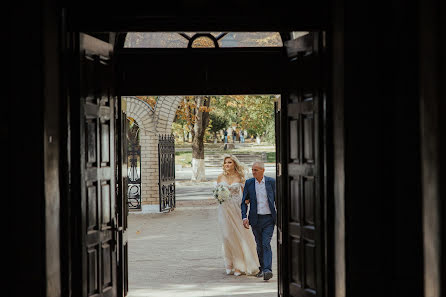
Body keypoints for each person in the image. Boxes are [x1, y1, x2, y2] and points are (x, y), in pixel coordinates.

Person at [216, 155, 260, 276]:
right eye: (225, 163)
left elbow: (248, 194)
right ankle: (229, 263)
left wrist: (246, 201)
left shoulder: (240, 177)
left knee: (239, 235)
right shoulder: (220, 177)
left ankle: (239, 266)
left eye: (229, 162)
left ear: (234, 164)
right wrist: (218, 196)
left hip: (237, 209)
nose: (227, 165)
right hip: (224, 210)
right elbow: (217, 192)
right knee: (227, 236)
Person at [241, 161, 276, 281]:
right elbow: (244, 202)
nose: (253, 172)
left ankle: (267, 270)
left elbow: (279, 200)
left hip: (269, 219)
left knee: (266, 243)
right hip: (255, 219)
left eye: (256, 170)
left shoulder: (272, 182)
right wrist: (244, 217)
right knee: (259, 244)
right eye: (252, 170)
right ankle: (262, 268)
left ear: (263, 170)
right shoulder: (249, 183)